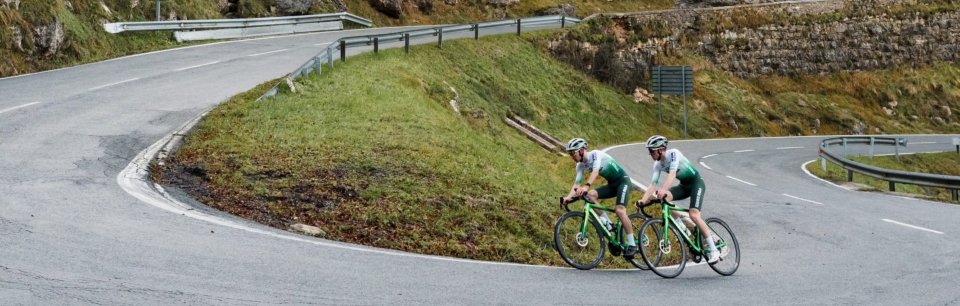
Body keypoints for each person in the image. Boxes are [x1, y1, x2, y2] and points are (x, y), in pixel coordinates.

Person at [635, 135, 720, 263]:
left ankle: (714, 250)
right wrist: (643, 199)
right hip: (683, 186)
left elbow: (672, 174)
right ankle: (682, 227)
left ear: (660, 150)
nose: (649, 154)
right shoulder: (657, 164)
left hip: (696, 183)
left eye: (651, 151)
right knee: (665, 199)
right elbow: (652, 184)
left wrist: (663, 190)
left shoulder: (673, 154)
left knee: (694, 215)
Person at [560, 138, 637, 257]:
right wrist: (568, 198)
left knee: (620, 210)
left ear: (581, 150)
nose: (571, 156)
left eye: (573, 153)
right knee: (590, 195)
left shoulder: (595, 155)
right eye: (570, 154)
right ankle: (608, 223)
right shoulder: (579, 165)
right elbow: (576, 184)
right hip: (612, 185)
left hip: (623, 182)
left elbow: (595, 172)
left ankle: (632, 244)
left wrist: (586, 186)